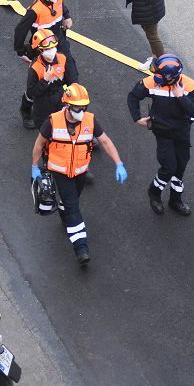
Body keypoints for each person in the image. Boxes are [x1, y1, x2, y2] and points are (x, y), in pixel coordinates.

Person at [31, 84, 127, 265]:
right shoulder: (52, 121)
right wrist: (34, 166)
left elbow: (105, 142)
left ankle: (63, 210)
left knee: (71, 200)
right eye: (77, 107)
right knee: (73, 207)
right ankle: (81, 248)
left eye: (84, 107)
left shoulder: (90, 121)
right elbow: (39, 144)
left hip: (81, 171)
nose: (81, 111)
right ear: (67, 105)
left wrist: (118, 163)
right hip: (60, 172)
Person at [127, 54, 194, 216]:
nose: (155, 77)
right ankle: (154, 192)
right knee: (169, 167)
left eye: (160, 75)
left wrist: (180, 96)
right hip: (162, 132)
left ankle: (175, 200)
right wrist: (137, 118)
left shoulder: (190, 86)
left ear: (172, 77)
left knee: (180, 167)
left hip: (182, 133)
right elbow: (133, 96)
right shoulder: (152, 82)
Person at [14, 0, 75, 124]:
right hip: (43, 49)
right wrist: (21, 52)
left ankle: (72, 112)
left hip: (60, 44)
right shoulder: (35, 10)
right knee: (36, 86)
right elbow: (20, 31)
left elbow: (61, 5)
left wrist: (66, 17)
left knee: (72, 78)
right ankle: (26, 109)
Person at [25, 30, 77, 130]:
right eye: (47, 48)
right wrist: (45, 80)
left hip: (60, 102)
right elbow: (31, 92)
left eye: (53, 47)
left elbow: (69, 79)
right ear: (39, 50)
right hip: (43, 109)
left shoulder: (62, 58)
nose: (52, 50)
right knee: (46, 133)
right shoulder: (35, 68)